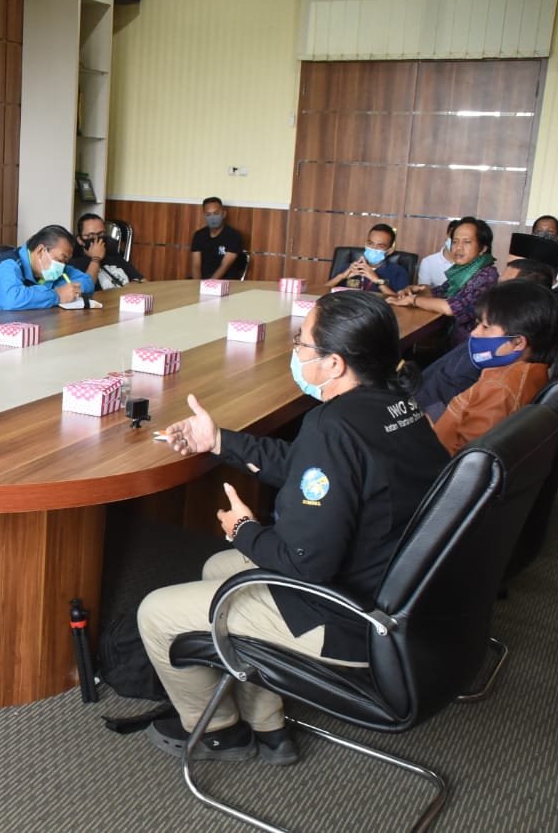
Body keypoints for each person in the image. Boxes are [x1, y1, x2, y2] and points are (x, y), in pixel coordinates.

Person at [138, 292, 449, 766]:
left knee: (156, 613)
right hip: (403, 597)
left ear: (334, 364)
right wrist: (218, 440)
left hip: (353, 619)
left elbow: (305, 563)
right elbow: (311, 469)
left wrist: (243, 528)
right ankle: (268, 723)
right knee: (219, 567)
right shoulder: (398, 406)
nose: (296, 352)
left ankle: (219, 732)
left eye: (301, 343)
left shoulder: (332, 425)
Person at [431, 280, 557, 455]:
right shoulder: (531, 372)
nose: (475, 332)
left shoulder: (499, 389)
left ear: (518, 342)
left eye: (486, 327)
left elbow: (467, 459)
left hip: (433, 458)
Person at [388, 216, 498, 346]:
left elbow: (452, 307)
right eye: (455, 242)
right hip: (451, 342)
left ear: (483, 248)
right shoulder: (462, 271)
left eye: (467, 242)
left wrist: (413, 300)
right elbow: (440, 292)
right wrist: (413, 291)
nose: (458, 247)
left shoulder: (487, 275)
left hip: (468, 347)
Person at [0, 224, 93, 314]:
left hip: (20, 326)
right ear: (41, 250)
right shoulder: (9, 263)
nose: (62, 266)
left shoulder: (51, 269)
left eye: (66, 261)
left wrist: (67, 289)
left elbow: (88, 282)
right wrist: (56, 295)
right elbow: (10, 300)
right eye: (61, 259)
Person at [323, 223, 409, 294]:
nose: (373, 248)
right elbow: (323, 291)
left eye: (380, 246)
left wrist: (377, 280)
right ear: (365, 244)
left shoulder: (398, 272)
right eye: (370, 243)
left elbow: (400, 300)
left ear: (389, 251)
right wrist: (342, 276)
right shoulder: (349, 267)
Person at [70, 213, 145, 290]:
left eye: (101, 234)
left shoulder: (113, 255)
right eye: (90, 235)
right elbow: (83, 290)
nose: (97, 238)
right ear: (80, 240)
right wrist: (96, 259)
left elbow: (142, 281)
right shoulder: (74, 264)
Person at [189, 197, 244, 280]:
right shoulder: (199, 235)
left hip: (226, 282)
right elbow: (196, 265)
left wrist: (209, 284)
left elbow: (224, 266)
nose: (212, 217)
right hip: (202, 282)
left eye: (216, 213)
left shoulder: (234, 236)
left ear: (224, 214)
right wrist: (197, 284)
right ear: (204, 216)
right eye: (208, 214)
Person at [416, 220, 461, 288]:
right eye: (453, 237)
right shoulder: (428, 262)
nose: (457, 243)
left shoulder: (470, 264)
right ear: (447, 235)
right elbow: (423, 291)